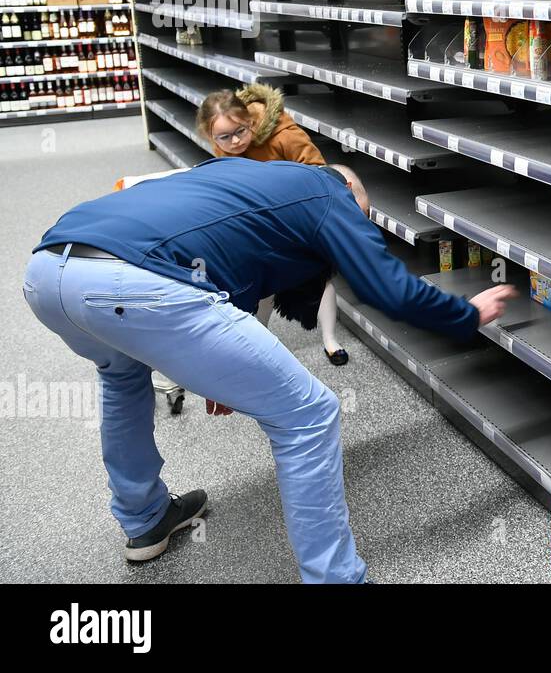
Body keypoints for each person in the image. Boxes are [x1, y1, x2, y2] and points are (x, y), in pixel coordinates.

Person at [24, 158, 515, 583]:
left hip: (49, 272)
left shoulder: (243, 175)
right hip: (131, 286)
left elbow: (220, 256)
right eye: (359, 218)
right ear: (350, 192)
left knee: (122, 379)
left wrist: (219, 371)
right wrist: (466, 315)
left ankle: (145, 519)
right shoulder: (329, 193)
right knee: (309, 413)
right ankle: (335, 577)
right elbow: (388, 289)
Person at [196, 83, 350, 366]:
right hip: (262, 224)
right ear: (211, 136)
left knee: (320, 278)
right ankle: (261, 341)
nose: (234, 142)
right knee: (262, 284)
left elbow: (319, 173)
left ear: (250, 120)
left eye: (241, 131)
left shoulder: (284, 135)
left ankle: (331, 340)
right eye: (223, 138)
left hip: (300, 218)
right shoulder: (224, 146)